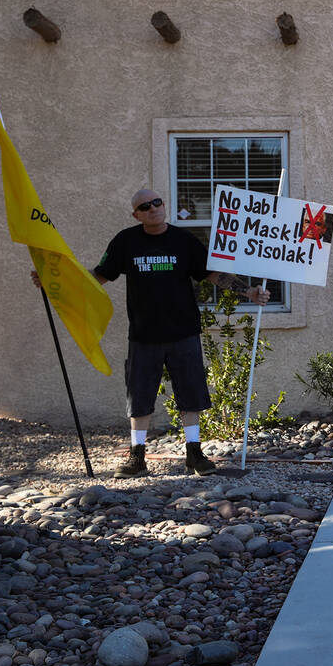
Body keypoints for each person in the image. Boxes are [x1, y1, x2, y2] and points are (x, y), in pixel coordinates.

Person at [86, 188, 268, 478]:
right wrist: (56, 284)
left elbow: (212, 274)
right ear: (136, 215)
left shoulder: (183, 240)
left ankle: (194, 453)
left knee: (191, 393)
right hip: (144, 335)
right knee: (140, 395)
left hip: (183, 331)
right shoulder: (126, 241)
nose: (153, 208)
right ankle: (137, 457)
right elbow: (100, 275)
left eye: (157, 202)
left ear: (164, 205)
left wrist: (248, 290)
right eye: (145, 207)